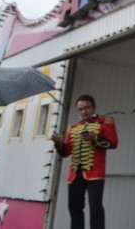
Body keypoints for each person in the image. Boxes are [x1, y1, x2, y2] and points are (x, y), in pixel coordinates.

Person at [52, 95, 118, 229]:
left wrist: (96, 138)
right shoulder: (74, 127)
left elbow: (113, 143)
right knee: (74, 207)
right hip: (75, 174)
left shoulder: (105, 122)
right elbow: (66, 152)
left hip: (95, 172)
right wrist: (59, 143)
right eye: (81, 109)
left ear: (93, 107)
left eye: (87, 108)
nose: (84, 112)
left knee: (95, 207)